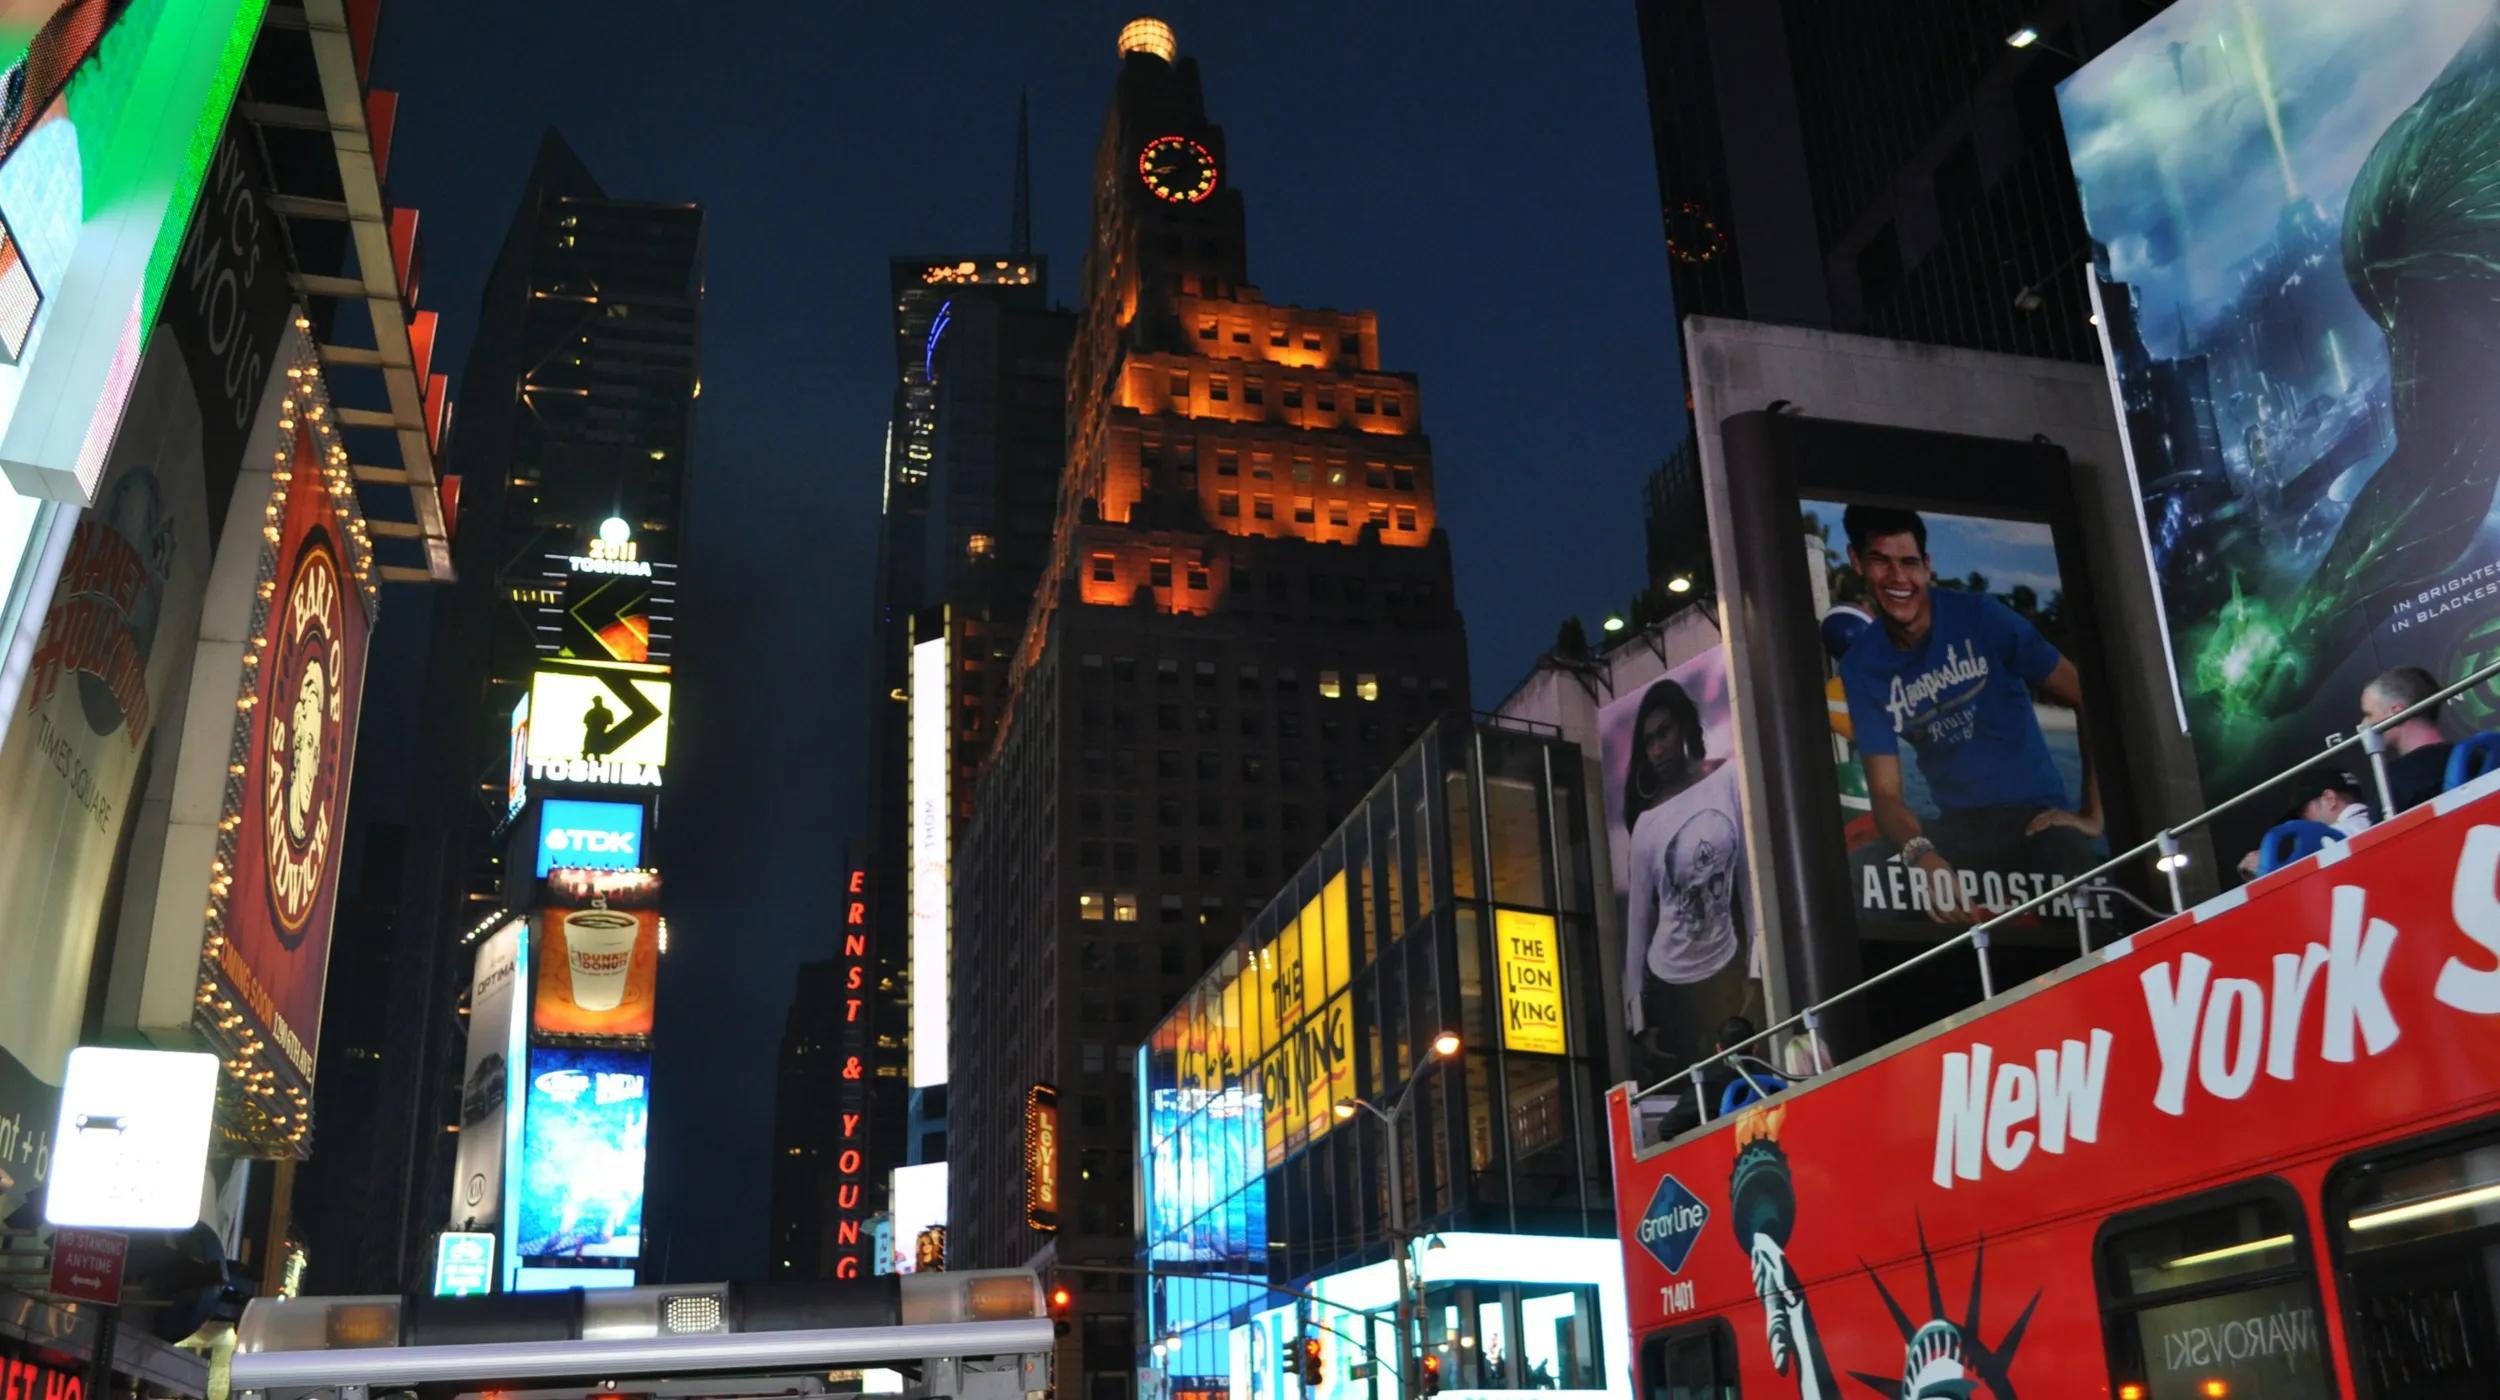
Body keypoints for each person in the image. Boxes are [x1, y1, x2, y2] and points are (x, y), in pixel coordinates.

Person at [1836, 505, 2100, 926]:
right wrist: (1922, 856)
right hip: (1960, 829)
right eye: (1880, 561)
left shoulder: (1982, 617)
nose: (1898, 578)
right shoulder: (1862, 666)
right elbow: (1886, 796)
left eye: (1908, 563)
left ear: (1927, 565)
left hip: (2036, 820)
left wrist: (2093, 814)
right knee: (1856, 878)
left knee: (2085, 889)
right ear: (1856, 562)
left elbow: (2088, 695)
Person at [1622, 677, 1760, 1068]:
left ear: (1684, 725)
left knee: (1746, 1075)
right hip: (1669, 985)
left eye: (1664, 732)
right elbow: (1637, 928)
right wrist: (1638, 1019)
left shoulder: (1729, 778)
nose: (1658, 748)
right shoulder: (1647, 826)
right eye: (1648, 741)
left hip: (1728, 963)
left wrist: (1757, 973)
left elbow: (1751, 881)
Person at [2236, 770, 2374, 879]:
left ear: (2330, 799)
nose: (2303, 819)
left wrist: (2266, 867)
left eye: (2304, 811)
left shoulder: (2336, 835)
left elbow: (2309, 890)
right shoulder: (2382, 815)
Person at [2362, 665, 2453, 812]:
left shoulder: (2391, 783)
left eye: (2369, 714)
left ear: (2396, 713)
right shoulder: (2476, 754)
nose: (2364, 724)